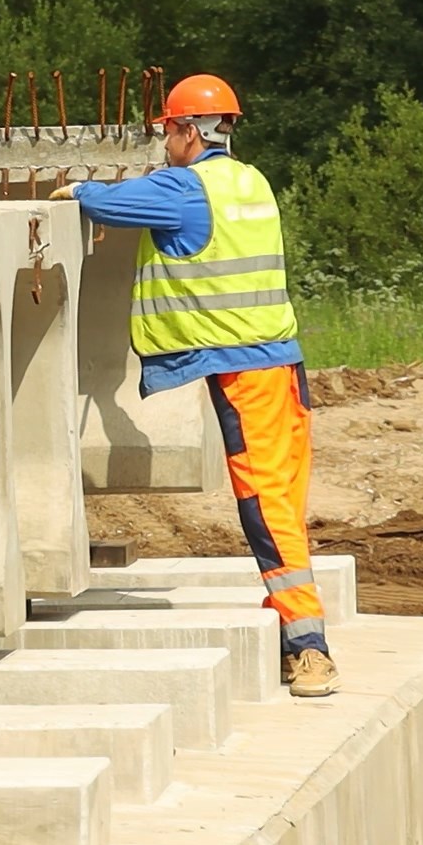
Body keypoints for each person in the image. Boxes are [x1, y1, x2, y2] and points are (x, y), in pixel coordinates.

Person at [50, 73, 338, 698]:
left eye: (167, 133)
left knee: (264, 506)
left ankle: (308, 647)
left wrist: (78, 187)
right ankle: (294, 624)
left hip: (247, 373)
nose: (164, 145)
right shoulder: (251, 181)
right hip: (283, 363)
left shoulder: (184, 187)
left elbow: (109, 204)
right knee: (283, 498)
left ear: (187, 131)